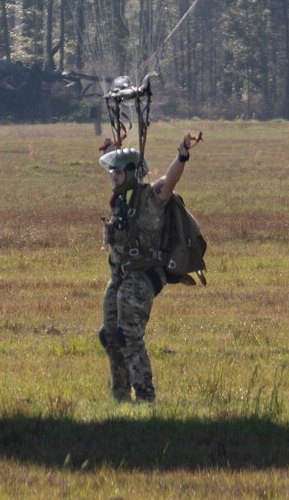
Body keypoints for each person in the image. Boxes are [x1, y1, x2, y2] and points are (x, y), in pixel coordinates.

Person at [98, 130, 202, 404]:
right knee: (109, 334)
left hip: (144, 274)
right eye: (112, 173)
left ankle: (145, 396)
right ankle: (120, 396)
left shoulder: (150, 197)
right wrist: (112, 149)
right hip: (120, 275)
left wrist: (182, 155)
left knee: (128, 335)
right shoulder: (121, 199)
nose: (113, 177)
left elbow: (170, 181)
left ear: (132, 173)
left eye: (118, 173)